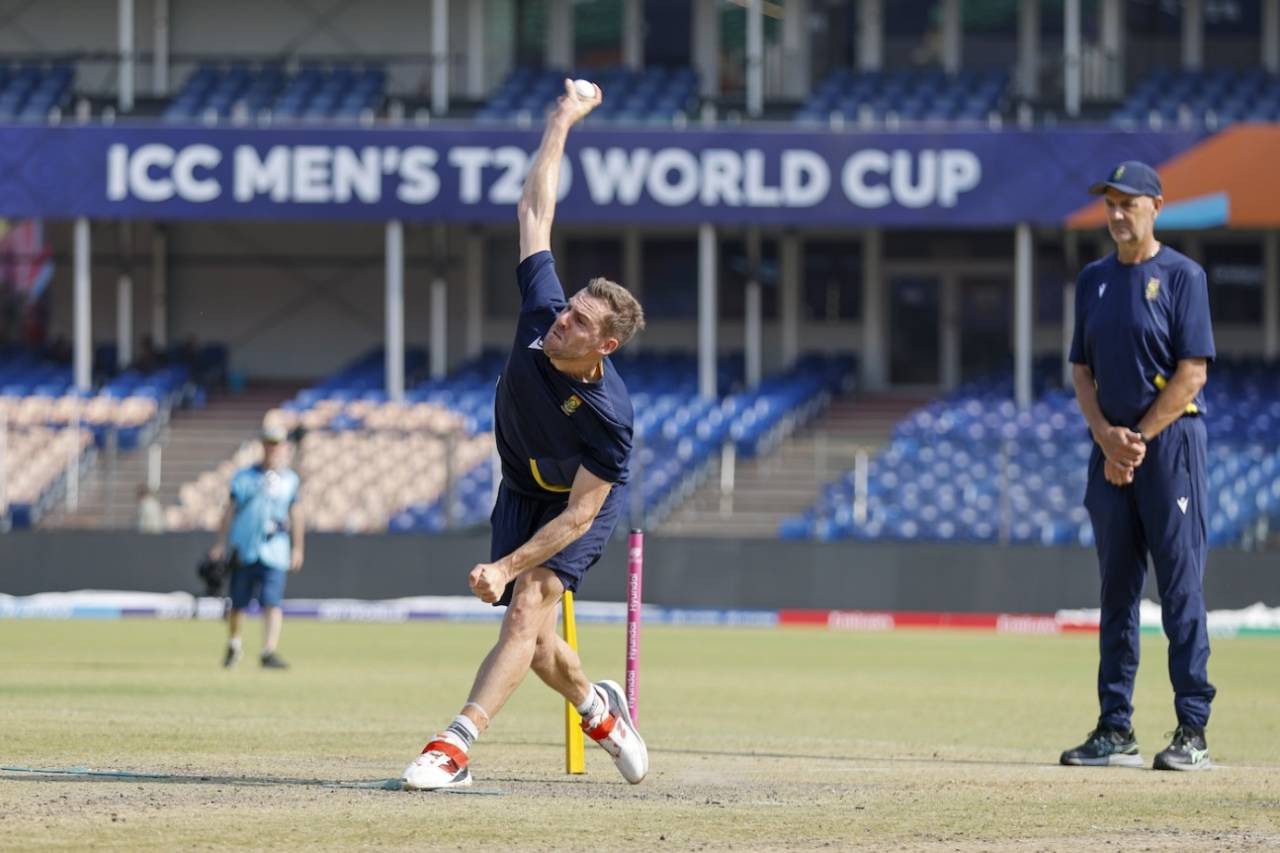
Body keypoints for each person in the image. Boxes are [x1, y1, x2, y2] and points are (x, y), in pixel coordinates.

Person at [400, 79, 648, 791]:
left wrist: (508, 566)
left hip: (573, 508)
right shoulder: (542, 308)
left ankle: (454, 745)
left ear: (604, 347)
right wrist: (563, 118)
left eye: (576, 322)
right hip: (518, 485)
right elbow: (535, 207)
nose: (560, 319)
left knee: (532, 600)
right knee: (536, 644)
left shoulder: (610, 417)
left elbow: (578, 514)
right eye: (566, 307)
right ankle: (600, 709)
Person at [1061, 160, 1216, 771]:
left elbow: (1193, 372)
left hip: (1170, 450)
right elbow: (1080, 368)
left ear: (1156, 206)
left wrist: (1136, 441)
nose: (1118, 214)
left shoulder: (1184, 276)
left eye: (1129, 203)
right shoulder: (1093, 280)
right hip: (1111, 455)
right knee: (1116, 593)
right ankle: (1114, 725)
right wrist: (1106, 438)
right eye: (1111, 204)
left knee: (1179, 591)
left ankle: (1192, 729)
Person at [209, 423, 304, 669]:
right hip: (245, 548)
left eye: (277, 443)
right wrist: (221, 542)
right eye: (269, 443)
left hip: (276, 550)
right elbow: (229, 511)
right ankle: (234, 645)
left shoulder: (290, 480)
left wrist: (298, 548)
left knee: (272, 601)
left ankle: (268, 651)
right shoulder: (244, 477)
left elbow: (296, 514)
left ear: (284, 446)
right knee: (237, 602)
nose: (272, 448)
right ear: (262, 445)